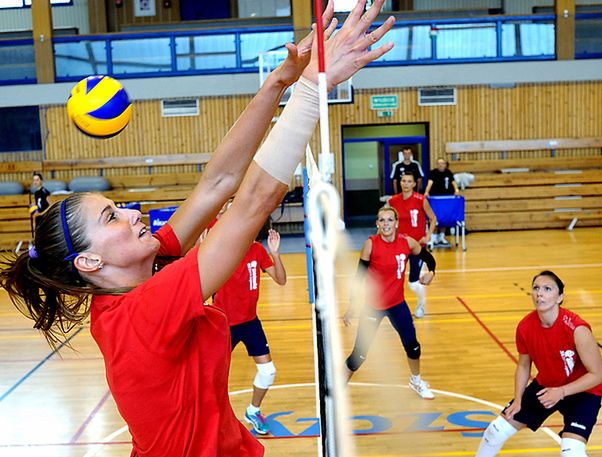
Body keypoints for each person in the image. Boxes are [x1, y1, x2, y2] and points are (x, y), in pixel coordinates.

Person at [0, 2, 396, 455]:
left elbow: (218, 184)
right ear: (90, 261)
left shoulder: (138, 276)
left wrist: (279, 82)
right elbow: (251, 203)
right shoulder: (141, 313)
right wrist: (310, 92)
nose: (134, 214)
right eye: (112, 217)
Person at [475, 271, 602, 457]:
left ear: (560, 297)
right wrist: (518, 399)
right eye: (536, 288)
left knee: (571, 451)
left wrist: (561, 392)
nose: (539, 293)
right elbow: (523, 366)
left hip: (583, 393)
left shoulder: (578, 329)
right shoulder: (525, 327)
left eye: (547, 289)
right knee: (494, 432)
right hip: (546, 388)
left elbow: (596, 375)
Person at [343, 206, 436, 399]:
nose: (386, 224)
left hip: (397, 305)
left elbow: (428, 258)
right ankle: (336, 389)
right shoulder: (371, 244)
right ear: (377, 224)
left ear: (396, 223)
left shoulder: (407, 242)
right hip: (372, 307)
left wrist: (431, 273)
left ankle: (416, 381)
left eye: (389, 220)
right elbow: (359, 278)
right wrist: (352, 306)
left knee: (413, 347)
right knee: (358, 356)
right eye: (382, 220)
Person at [211, 215, 287, 435]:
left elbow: (281, 280)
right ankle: (210, 420)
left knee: (268, 371)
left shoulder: (258, 251)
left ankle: (253, 411)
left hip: (250, 321)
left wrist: (275, 254)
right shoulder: (224, 249)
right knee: (212, 376)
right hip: (223, 324)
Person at [388, 171, 437, 318]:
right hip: (399, 246)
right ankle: (392, 308)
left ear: (414, 184)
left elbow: (433, 219)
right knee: (394, 278)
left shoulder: (421, 199)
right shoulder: (393, 201)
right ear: (400, 183)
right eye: (403, 181)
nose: (406, 184)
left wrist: (428, 236)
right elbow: (388, 221)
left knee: (413, 283)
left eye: (409, 181)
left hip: (416, 247)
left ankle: (421, 304)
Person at [424, 157, 459, 247]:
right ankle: (434, 237)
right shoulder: (433, 173)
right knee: (435, 218)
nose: (441, 165)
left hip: (446, 199)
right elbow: (430, 183)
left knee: (445, 217)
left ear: (445, 164)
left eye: (442, 163)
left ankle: (442, 237)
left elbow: (453, 182)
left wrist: (456, 189)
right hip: (436, 199)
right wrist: (427, 191)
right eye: (439, 163)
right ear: (437, 165)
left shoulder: (448, 173)